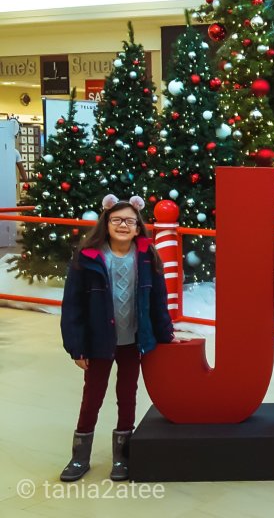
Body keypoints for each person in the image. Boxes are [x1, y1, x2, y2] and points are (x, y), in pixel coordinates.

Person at [60, 194, 174, 482]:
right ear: (106, 223)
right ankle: (79, 456)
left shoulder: (147, 257)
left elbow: (158, 301)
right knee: (92, 396)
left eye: (130, 221)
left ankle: (122, 456)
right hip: (99, 343)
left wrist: (165, 336)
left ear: (138, 227)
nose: (123, 225)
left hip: (133, 341)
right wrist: (76, 347)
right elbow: (73, 305)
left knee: (127, 395)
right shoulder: (88, 258)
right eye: (117, 220)